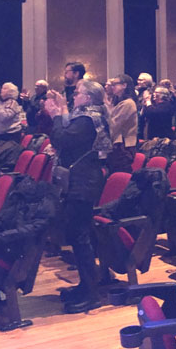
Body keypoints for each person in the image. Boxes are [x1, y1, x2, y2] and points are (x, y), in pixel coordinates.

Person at [45, 80, 111, 314]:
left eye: (78, 93)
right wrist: (61, 111)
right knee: (78, 233)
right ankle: (86, 285)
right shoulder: (84, 116)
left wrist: (56, 114)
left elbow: (62, 139)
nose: (74, 95)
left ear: (88, 98)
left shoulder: (87, 119)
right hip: (81, 178)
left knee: (79, 234)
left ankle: (92, 294)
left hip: (83, 181)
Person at [108, 74, 138, 173]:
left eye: (115, 84)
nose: (112, 87)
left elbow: (114, 124)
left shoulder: (128, 103)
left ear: (124, 85)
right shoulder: (119, 102)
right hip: (118, 145)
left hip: (123, 147)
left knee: (120, 174)